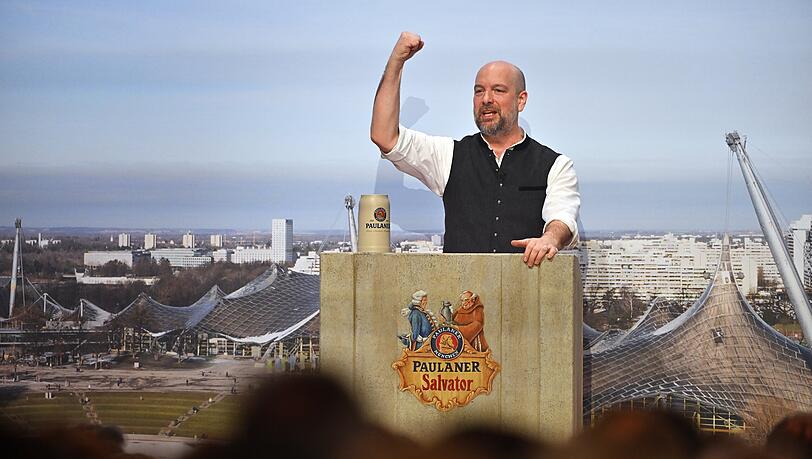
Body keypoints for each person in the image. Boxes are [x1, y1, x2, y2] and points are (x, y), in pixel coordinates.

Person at [371, 32, 580, 267]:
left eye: (498, 90)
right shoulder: (449, 156)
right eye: (479, 91)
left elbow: (562, 217)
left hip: (524, 297)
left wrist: (549, 238)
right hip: (459, 297)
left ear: (521, 100)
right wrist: (396, 62)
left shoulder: (555, 165)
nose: (486, 99)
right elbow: (384, 136)